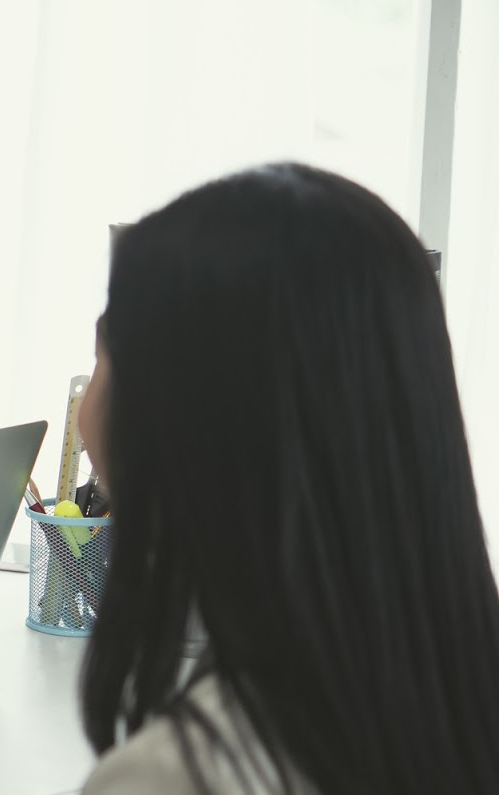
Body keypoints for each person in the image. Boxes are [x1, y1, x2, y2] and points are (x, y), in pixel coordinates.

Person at [76, 163, 499, 794]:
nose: (85, 412)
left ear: (193, 430)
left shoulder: (176, 776)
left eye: (104, 360)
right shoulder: (455, 696)